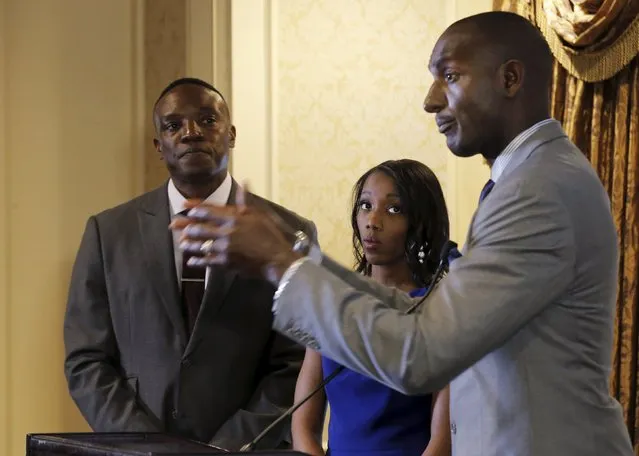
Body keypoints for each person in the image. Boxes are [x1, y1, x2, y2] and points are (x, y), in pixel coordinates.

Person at [171, 12, 635, 456]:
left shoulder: (538, 191)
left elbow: (423, 353)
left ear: (510, 79)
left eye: (449, 76)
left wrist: (282, 264)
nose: (431, 99)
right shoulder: (529, 180)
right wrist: (300, 259)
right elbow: (422, 314)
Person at [63, 77, 315, 451]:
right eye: (173, 125)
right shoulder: (108, 233)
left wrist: (227, 447)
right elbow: (86, 359)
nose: (191, 133)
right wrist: (146, 444)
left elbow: (296, 362)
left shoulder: (289, 233)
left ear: (230, 134)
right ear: (158, 146)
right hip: (137, 450)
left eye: (207, 120)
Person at [292, 160, 452, 456]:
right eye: (365, 205)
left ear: (421, 222)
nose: (372, 221)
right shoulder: (332, 300)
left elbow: (442, 443)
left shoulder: (441, 309)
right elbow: (302, 423)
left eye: (394, 210)